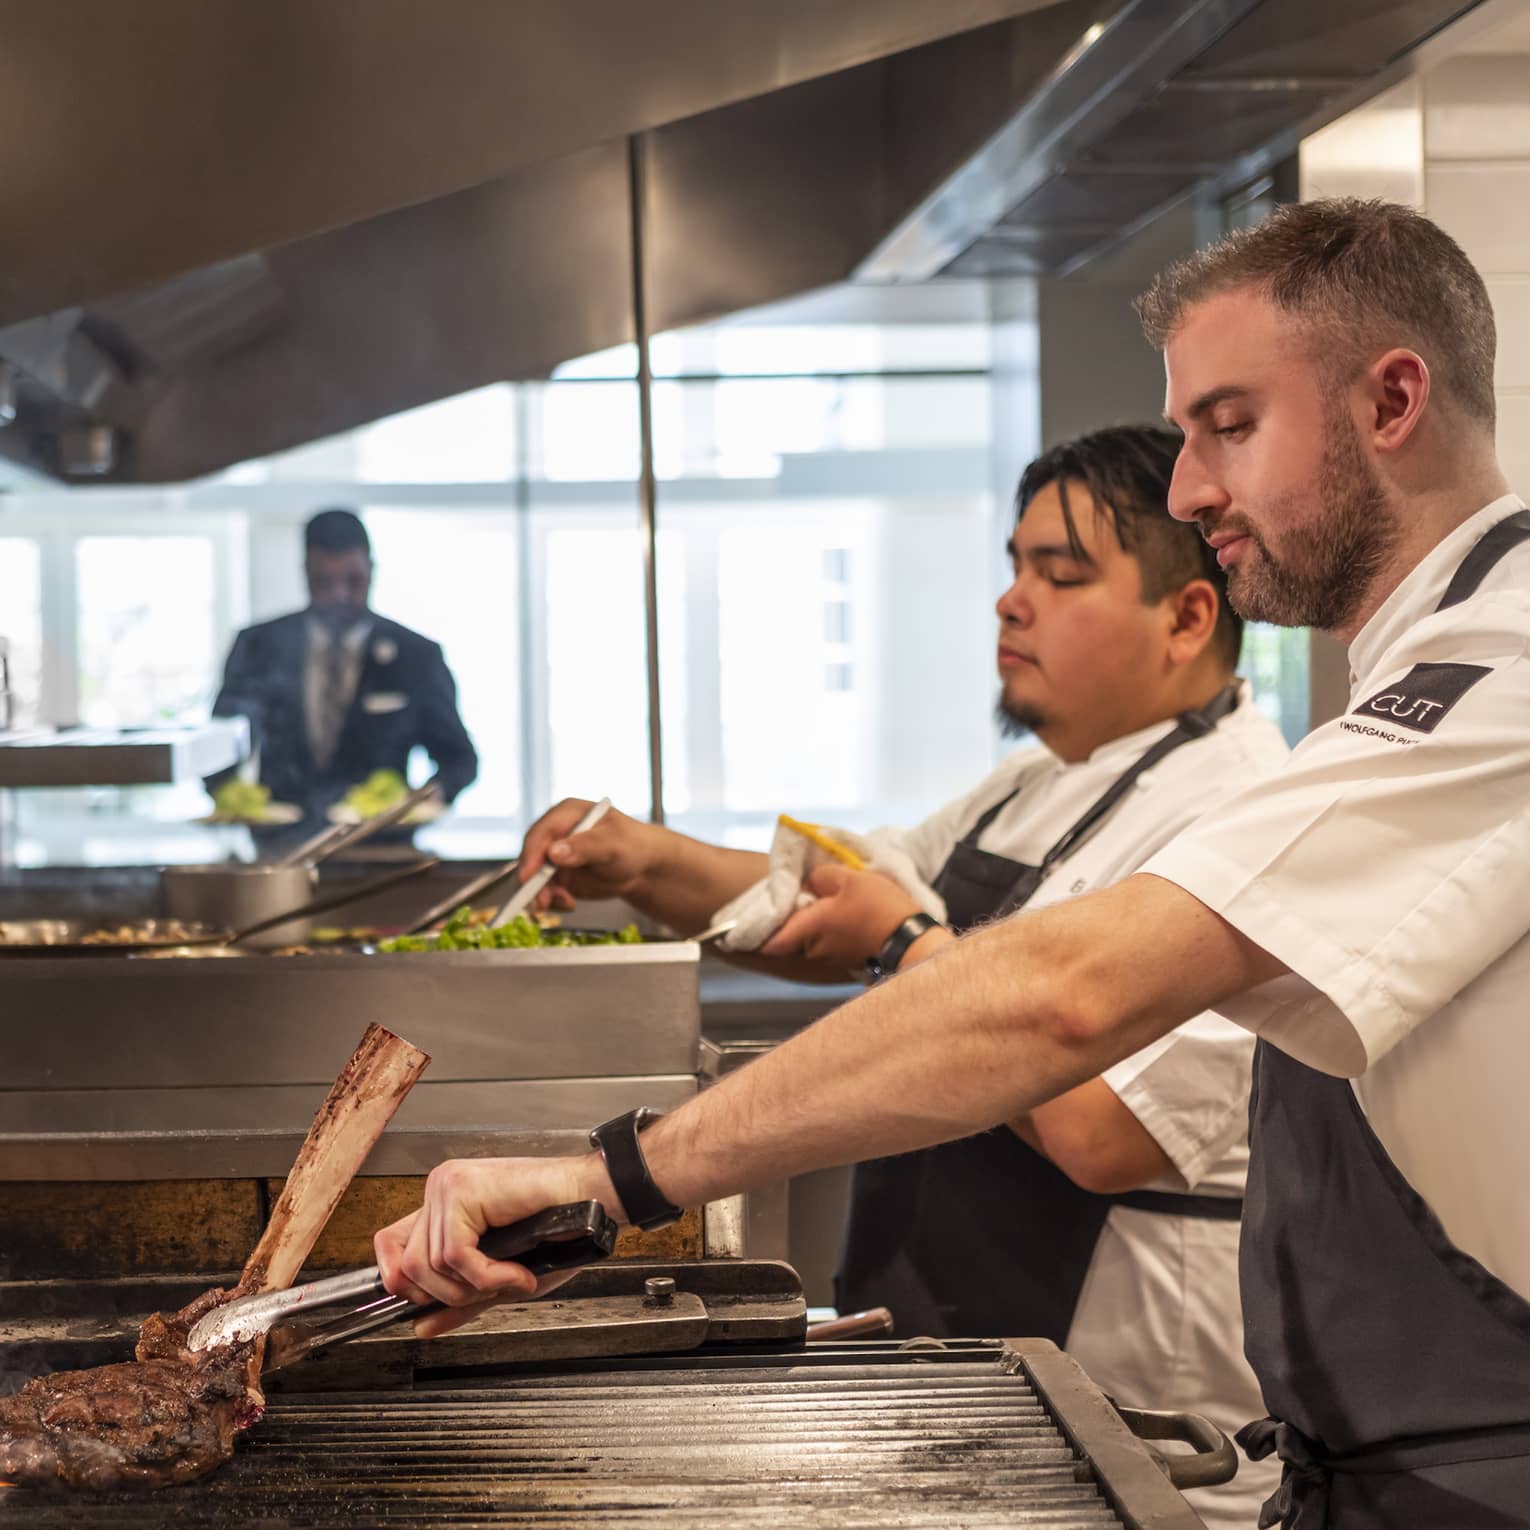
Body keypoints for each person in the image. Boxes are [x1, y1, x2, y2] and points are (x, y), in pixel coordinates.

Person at [377, 200, 1530, 1528]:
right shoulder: (1402, 680)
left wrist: (615, 1176)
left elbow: (1060, 1001)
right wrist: (646, 861)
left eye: (1228, 424)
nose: (1188, 488)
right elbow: (835, 895)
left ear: (1391, 399)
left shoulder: (1494, 675)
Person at [499, 425, 1288, 1526]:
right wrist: (646, 862)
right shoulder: (1032, 782)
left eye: (1058, 576)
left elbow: (1107, 1131)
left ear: (1189, 616)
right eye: (1012, 569)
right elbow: (843, 897)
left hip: (1132, 1398)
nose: (1011, 603)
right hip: (969, 1337)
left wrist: (906, 943)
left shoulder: (1247, 810)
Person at [210, 509, 477, 834]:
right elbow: (219, 747)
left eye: (353, 581)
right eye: (324, 582)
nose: (340, 595)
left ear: (372, 571)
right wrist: (233, 799)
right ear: (305, 572)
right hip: (279, 849)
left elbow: (459, 760)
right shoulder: (259, 645)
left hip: (382, 849)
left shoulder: (415, 655)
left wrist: (430, 794)